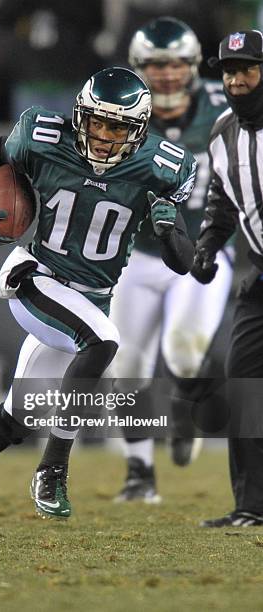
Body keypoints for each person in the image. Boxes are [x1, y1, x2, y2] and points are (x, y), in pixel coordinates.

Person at [0, 66, 197, 546]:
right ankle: (52, 471)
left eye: (118, 128)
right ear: (81, 116)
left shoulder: (160, 167)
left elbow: (183, 262)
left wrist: (169, 232)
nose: (104, 137)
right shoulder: (44, 137)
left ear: (139, 131)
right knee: (103, 341)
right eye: (97, 123)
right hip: (34, 277)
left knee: (18, 415)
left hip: (88, 298)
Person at [109, 17, 233, 503]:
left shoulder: (224, 106)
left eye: (176, 63)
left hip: (200, 247)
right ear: (139, 67)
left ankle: (188, 403)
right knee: (129, 366)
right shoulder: (118, 109)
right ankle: (139, 473)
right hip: (135, 255)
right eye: (155, 64)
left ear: (192, 65)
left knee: (183, 353)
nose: (165, 74)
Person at [192, 29, 263, 527]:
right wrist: (207, 247)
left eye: (248, 69)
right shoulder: (221, 131)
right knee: (244, 390)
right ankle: (252, 506)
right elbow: (220, 201)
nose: (237, 79)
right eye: (229, 70)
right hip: (260, 276)